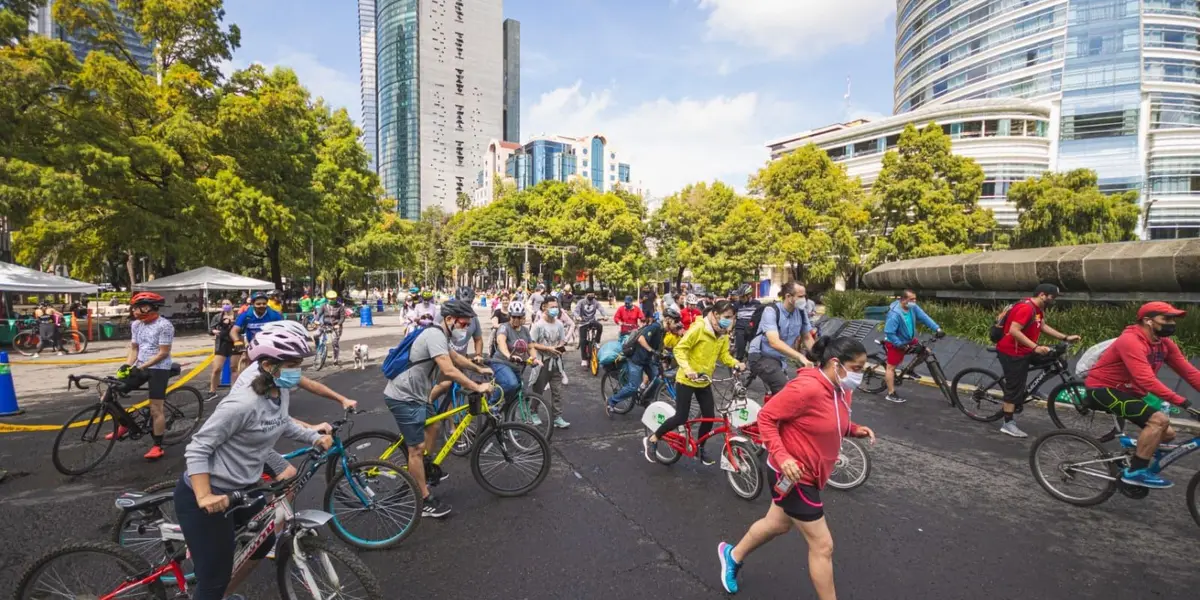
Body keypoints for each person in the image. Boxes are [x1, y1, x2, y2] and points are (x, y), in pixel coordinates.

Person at [177, 328, 334, 600]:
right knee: (213, 579)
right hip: (211, 495)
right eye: (293, 365)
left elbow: (281, 422)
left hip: (245, 489)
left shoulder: (278, 391)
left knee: (263, 543)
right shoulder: (242, 404)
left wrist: (312, 437)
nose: (298, 371)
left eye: (299, 364)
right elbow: (198, 447)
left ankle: (222, 594)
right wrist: (204, 495)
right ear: (268, 365)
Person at [717, 336, 876, 598]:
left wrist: (853, 429)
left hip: (812, 473)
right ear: (836, 364)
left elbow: (829, 421)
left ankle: (732, 555)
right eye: (856, 368)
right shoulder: (806, 388)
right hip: (793, 474)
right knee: (822, 546)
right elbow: (766, 417)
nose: (859, 375)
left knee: (776, 524)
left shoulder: (841, 388)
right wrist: (784, 457)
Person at [385, 299, 491, 518]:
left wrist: (478, 368)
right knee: (415, 448)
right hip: (404, 396)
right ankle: (423, 500)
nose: (465, 328)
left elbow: (456, 358)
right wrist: (476, 386)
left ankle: (423, 466)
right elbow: (449, 370)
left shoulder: (440, 335)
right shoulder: (434, 335)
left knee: (433, 424)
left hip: (418, 395)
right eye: (463, 323)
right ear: (449, 319)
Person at [1084, 302, 1200, 488]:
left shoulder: (1164, 344)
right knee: (1159, 421)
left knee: (1168, 434)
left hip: (1130, 391)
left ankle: (1130, 455)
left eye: (1173, 319)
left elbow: (1190, 373)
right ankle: (1136, 472)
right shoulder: (1130, 340)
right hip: (1103, 389)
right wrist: (1184, 403)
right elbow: (1146, 379)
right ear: (1148, 320)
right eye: (1166, 319)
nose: (1172, 323)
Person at [643, 301, 745, 466]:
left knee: (710, 418)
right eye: (727, 317)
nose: (730, 321)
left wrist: (735, 363)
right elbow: (680, 349)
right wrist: (688, 369)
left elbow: (724, 355)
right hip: (687, 380)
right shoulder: (699, 328)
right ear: (716, 315)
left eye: (732, 317)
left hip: (704, 380)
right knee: (681, 416)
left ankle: (700, 448)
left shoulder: (723, 334)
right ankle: (653, 438)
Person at [994, 283, 1081, 438]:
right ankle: (1008, 424)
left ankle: (1032, 388)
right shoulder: (1026, 308)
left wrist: (1065, 337)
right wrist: (1035, 347)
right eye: (1052, 297)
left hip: (1026, 349)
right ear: (1042, 295)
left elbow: (1042, 326)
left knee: (1058, 363)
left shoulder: (1038, 309)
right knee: (1014, 389)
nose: (1053, 300)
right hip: (1012, 352)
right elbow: (1014, 331)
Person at [116, 292, 176, 460]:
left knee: (156, 408)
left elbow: (163, 353)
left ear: (152, 307)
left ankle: (158, 446)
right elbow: (134, 348)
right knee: (111, 390)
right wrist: (127, 366)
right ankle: (125, 423)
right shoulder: (136, 325)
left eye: (140, 307)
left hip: (159, 367)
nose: (135, 311)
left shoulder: (165, 325)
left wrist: (140, 367)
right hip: (141, 365)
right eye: (134, 307)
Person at [607, 307, 682, 415]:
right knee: (633, 387)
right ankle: (611, 401)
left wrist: (665, 353)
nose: (676, 325)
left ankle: (645, 399)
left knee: (658, 379)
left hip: (647, 360)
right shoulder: (655, 326)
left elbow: (659, 345)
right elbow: (641, 339)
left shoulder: (663, 331)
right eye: (675, 322)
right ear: (668, 320)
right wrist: (652, 350)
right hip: (636, 359)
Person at [746, 282, 815, 398]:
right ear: (788, 297)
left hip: (779, 360)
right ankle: (768, 416)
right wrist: (800, 356)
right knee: (785, 392)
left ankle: (772, 413)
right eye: (800, 296)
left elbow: (807, 337)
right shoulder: (771, 311)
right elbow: (774, 342)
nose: (804, 299)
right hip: (761, 356)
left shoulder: (801, 312)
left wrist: (821, 358)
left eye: (805, 296)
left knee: (786, 393)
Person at [881, 289, 943, 404]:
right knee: (891, 367)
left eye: (915, 299)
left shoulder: (912, 308)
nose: (914, 302)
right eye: (911, 299)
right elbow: (889, 332)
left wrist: (937, 328)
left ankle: (909, 370)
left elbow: (924, 317)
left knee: (925, 351)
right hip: (895, 341)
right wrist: (900, 345)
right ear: (903, 299)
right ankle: (890, 393)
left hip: (909, 339)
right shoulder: (894, 314)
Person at [530, 297, 571, 429]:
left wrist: (559, 348)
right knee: (538, 390)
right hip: (543, 363)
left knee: (557, 391)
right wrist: (548, 349)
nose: (555, 309)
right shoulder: (538, 326)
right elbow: (531, 344)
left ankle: (557, 417)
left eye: (556, 306)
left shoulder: (559, 324)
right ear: (544, 307)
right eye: (552, 306)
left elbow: (563, 341)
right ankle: (533, 413)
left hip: (556, 363)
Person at [491, 301, 538, 410]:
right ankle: (492, 403)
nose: (516, 319)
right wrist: (509, 355)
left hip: (517, 366)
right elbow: (501, 341)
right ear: (509, 316)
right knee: (511, 384)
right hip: (501, 363)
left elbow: (530, 347)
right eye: (514, 317)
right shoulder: (504, 327)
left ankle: (507, 422)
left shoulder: (525, 330)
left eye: (519, 317)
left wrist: (534, 358)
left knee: (514, 395)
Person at [230, 292, 283, 371]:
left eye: (264, 303)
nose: (261, 306)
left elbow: (283, 330)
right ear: (252, 304)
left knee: (272, 370)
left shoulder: (274, 315)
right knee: (249, 370)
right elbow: (233, 331)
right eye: (258, 304)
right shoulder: (246, 315)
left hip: (270, 347)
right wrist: (237, 341)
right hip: (252, 346)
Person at [207, 299, 237, 401]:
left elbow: (243, 328)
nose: (225, 306)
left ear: (232, 305)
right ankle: (212, 391)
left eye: (227, 304)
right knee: (216, 369)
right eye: (223, 304)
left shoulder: (237, 317)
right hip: (221, 344)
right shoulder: (218, 317)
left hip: (234, 343)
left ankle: (234, 391)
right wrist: (214, 331)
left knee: (234, 368)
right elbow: (210, 329)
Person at [574, 291, 608, 366]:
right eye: (589, 294)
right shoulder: (581, 302)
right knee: (583, 341)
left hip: (592, 321)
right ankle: (584, 359)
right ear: (586, 294)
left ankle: (596, 341)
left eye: (593, 294)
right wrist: (577, 317)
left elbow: (601, 308)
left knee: (600, 326)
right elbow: (576, 311)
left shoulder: (595, 302)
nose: (591, 295)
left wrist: (605, 315)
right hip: (583, 322)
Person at [319, 290, 347, 366]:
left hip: (336, 326)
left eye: (333, 298)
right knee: (316, 336)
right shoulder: (324, 306)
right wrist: (316, 320)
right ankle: (321, 352)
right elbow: (318, 314)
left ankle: (335, 359)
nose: (331, 300)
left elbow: (342, 317)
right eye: (330, 298)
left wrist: (338, 324)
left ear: (336, 298)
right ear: (327, 298)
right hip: (325, 325)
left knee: (335, 343)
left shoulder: (340, 307)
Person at [732, 284, 760, 361]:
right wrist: (729, 329)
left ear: (749, 295)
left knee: (754, 352)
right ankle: (738, 366)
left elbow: (760, 318)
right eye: (740, 297)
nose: (740, 299)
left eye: (742, 297)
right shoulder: (737, 304)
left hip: (752, 330)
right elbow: (732, 317)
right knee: (740, 350)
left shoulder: (757, 304)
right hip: (740, 329)